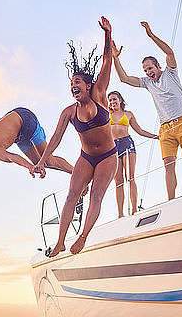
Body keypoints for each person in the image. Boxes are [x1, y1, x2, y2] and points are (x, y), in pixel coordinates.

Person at [33, 16, 117, 257]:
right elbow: (56, 139)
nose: (73, 86)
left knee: (96, 195)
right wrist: (41, 161)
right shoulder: (69, 112)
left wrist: (107, 34)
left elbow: (107, 60)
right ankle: (60, 242)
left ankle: (82, 237)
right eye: (71, 83)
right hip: (86, 157)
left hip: (108, 157)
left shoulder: (99, 95)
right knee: (71, 195)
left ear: (88, 85)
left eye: (77, 82)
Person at [112, 21, 182, 199]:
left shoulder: (171, 73)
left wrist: (151, 35)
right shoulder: (147, 83)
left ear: (158, 66)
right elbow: (124, 79)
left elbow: (170, 52)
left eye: (150, 68)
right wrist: (116, 57)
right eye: (145, 70)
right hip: (165, 127)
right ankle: (171, 200)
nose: (148, 72)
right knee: (169, 164)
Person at [108, 90, 158, 217]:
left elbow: (139, 131)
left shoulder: (128, 114)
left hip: (127, 144)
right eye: (110, 100)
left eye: (115, 99)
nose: (113, 102)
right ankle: (120, 214)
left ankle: (135, 209)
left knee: (130, 177)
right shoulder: (107, 115)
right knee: (118, 181)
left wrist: (156, 136)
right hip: (113, 147)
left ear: (120, 100)